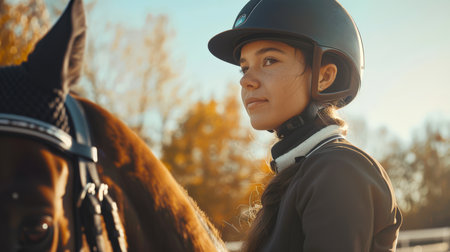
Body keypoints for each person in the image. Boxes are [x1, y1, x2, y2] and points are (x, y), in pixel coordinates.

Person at [208, 0, 402, 251]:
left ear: (324, 76)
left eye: (269, 60)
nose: (246, 80)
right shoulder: (301, 171)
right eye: (244, 68)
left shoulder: (338, 171)